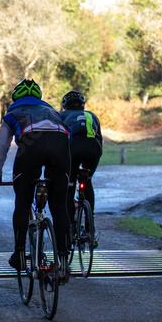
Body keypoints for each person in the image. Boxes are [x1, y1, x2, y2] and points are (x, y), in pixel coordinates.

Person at [0, 79, 72, 283]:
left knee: (23, 203)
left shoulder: (11, 115)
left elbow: (2, 148)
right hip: (60, 147)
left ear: (16, 98)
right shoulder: (55, 113)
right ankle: (63, 261)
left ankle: (18, 254)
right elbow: (67, 138)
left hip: (30, 149)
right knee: (60, 206)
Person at [60, 91, 102, 233]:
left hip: (73, 148)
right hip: (94, 148)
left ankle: (70, 226)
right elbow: (99, 139)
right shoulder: (92, 115)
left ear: (65, 106)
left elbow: (59, 138)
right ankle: (90, 226)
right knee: (87, 180)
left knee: (70, 185)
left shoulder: (62, 116)